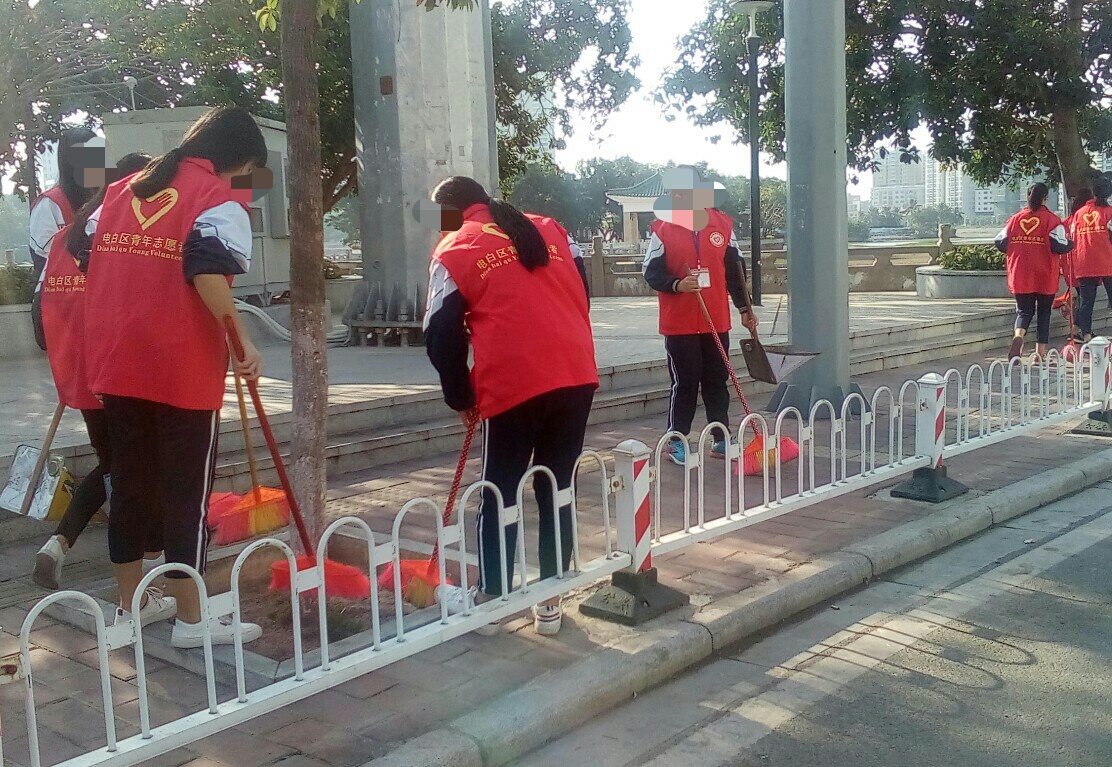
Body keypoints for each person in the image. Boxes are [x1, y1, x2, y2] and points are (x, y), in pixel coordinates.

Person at [78, 107, 266, 647]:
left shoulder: (124, 190)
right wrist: (242, 341)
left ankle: (128, 610)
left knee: (130, 486)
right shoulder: (217, 198)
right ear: (237, 159)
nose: (244, 180)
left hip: (119, 360)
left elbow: (83, 248)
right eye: (248, 170)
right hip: (181, 368)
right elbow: (206, 269)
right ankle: (191, 620)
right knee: (186, 494)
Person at [423, 176, 597, 636]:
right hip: (575, 371)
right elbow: (581, 292)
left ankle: (492, 600)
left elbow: (439, 335)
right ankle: (551, 601)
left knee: (500, 489)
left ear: (450, 211)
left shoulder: (455, 247)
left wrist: (460, 396)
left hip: (516, 380)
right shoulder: (552, 229)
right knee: (557, 484)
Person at [33, 152, 161, 591]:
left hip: (79, 374)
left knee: (115, 463)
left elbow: (42, 309)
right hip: (121, 371)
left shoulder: (65, 238)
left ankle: (59, 544)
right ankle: (150, 559)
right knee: (139, 466)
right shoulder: (122, 236)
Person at [642, 179, 759, 466]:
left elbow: (735, 270)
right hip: (680, 322)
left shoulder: (723, 226)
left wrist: (745, 308)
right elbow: (651, 271)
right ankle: (676, 440)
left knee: (717, 379)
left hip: (715, 319)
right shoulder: (663, 228)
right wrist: (676, 284)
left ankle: (721, 439)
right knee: (685, 381)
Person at [29, 128, 99, 350]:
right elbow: (45, 260)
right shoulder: (50, 204)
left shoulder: (108, 198)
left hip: (100, 305)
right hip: (66, 309)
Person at [995, 182, 1073, 359]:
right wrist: (1071, 244)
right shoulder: (1052, 220)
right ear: (1045, 198)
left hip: (1020, 272)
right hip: (1045, 273)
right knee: (1044, 313)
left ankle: (1018, 336)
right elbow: (1059, 246)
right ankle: (1040, 354)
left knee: (1024, 311)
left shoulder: (1015, 219)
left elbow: (1000, 242)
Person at [1069, 176, 1112, 342]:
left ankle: (1086, 335)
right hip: (1107, 261)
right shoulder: (1109, 212)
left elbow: (1073, 237)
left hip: (1084, 262)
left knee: (1086, 302)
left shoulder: (1079, 214)